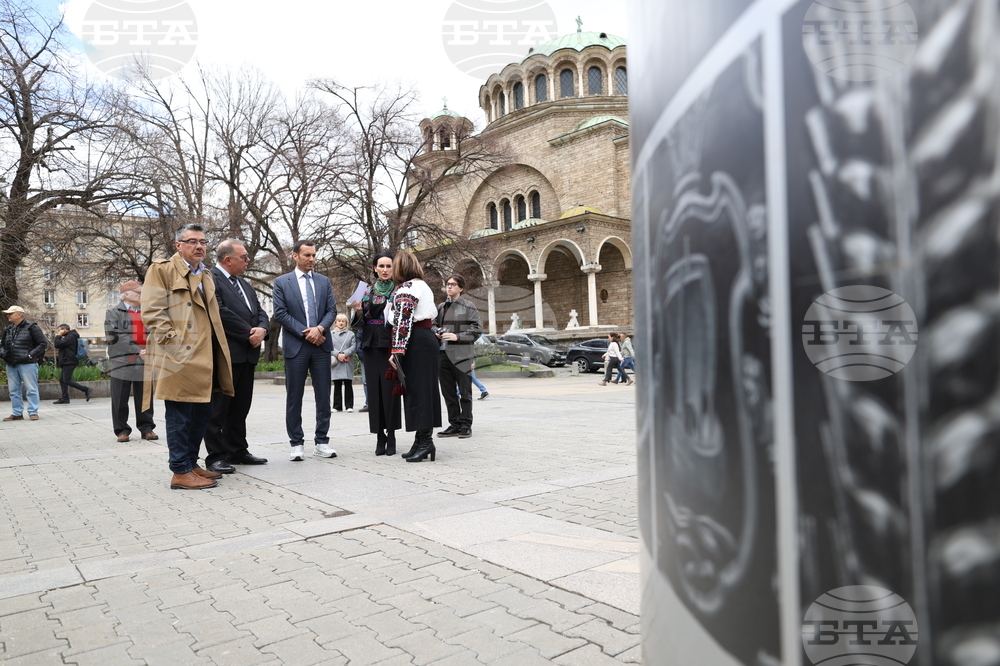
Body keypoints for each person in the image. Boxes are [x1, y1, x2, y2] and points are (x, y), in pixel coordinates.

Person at [142, 224, 234, 490]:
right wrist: (176, 347)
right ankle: (180, 471)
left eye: (203, 242)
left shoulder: (205, 274)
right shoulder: (161, 270)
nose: (199, 246)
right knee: (180, 414)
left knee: (202, 413)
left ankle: (191, 463)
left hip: (206, 356)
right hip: (180, 357)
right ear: (177, 245)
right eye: (192, 241)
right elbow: (153, 313)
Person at [203, 240, 271, 474]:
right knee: (219, 408)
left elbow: (260, 311)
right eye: (244, 257)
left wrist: (263, 329)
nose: (248, 260)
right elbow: (219, 311)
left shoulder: (243, 283)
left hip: (247, 354)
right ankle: (215, 456)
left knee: (241, 407)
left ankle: (237, 450)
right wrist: (248, 333)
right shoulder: (210, 278)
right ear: (228, 259)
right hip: (226, 354)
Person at [273, 239, 337, 461]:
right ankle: (296, 444)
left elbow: (332, 310)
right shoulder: (282, 282)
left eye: (314, 255)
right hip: (296, 347)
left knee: (323, 397)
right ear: (295, 256)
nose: (312, 259)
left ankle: (322, 442)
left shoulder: (323, 281)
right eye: (307, 255)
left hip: (321, 346)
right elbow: (280, 313)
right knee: (294, 397)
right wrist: (307, 332)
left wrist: (319, 329)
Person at [387, 251, 442, 462]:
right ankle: (422, 440)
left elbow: (403, 321)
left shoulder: (407, 288)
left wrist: (397, 351)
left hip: (415, 341)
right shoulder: (423, 286)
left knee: (419, 392)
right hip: (424, 339)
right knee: (423, 391)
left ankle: (426, 442)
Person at [352, 253, 402, 456]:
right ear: (374, 268)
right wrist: (356, 312)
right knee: (374, 392)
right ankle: (379, 436)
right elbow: (358, 324)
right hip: (371, 345)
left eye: (388, 266)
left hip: (390, 344)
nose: (385, 269)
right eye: (381, 266)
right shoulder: (365, 291)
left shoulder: (400, 290)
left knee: (390, 391)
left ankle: (391, 435)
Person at [105, 281, 156, 441]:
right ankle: (122, 430)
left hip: (144, 360)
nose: (142, 296)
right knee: (120, 396)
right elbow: (115, 336)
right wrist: (138, 350)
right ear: (126, 294)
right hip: (122, 361)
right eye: (138, 293)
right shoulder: (113, 312)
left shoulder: (147, 312)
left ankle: (147, 428)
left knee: (145, 396)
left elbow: (154, 331)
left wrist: (150, 349)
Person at [435, 274, 482, 439]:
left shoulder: (469, 306)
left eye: (453, 284)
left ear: (461, 288)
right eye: (447, 284)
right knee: (448, 392)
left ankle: (466, 425)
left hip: (462, 355)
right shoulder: (441, 307)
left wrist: (457, 336)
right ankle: (454, 424)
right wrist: (436, 332)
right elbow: (433, 324)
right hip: (443, 354)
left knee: (465, 392)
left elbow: (477, 330)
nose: (449, 287)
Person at [0, 306, 46, 421]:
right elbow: (2, 345)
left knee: (31, 389)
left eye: (11, 313)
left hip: (28, 363)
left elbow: (42, 344)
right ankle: (17, 413)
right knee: (13, 390)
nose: (8, 315)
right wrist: (3, 355)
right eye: (7, 313)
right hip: (11, 363)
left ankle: (33, 412)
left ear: (19, 314)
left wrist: (30, 355)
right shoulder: (8, 329)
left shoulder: (32, 327)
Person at [52, 324, 92, 404]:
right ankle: (65, 398)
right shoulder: (69, 337)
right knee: (62, 380)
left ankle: (86, 389)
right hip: (67, 361)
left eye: (59, 330)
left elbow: (57, 344)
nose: (58, 332)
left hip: (69, 361)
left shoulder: (71, 337)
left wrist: (58, 336)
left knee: (67, 380)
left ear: (65, 330)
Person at [330, 314, 355, 413]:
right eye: (339, 321)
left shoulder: (351, 334)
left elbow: (353, 347)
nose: (341, 323)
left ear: (346, 323)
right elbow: (329, 347)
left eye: (343, 321)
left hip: (347, 361)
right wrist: (338, 354)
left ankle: (349, 405)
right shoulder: (330, 334)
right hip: (336, 362)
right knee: (337, 384)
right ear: (335, 322)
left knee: (348, 384)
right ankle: (337, 406)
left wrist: (344, 354)